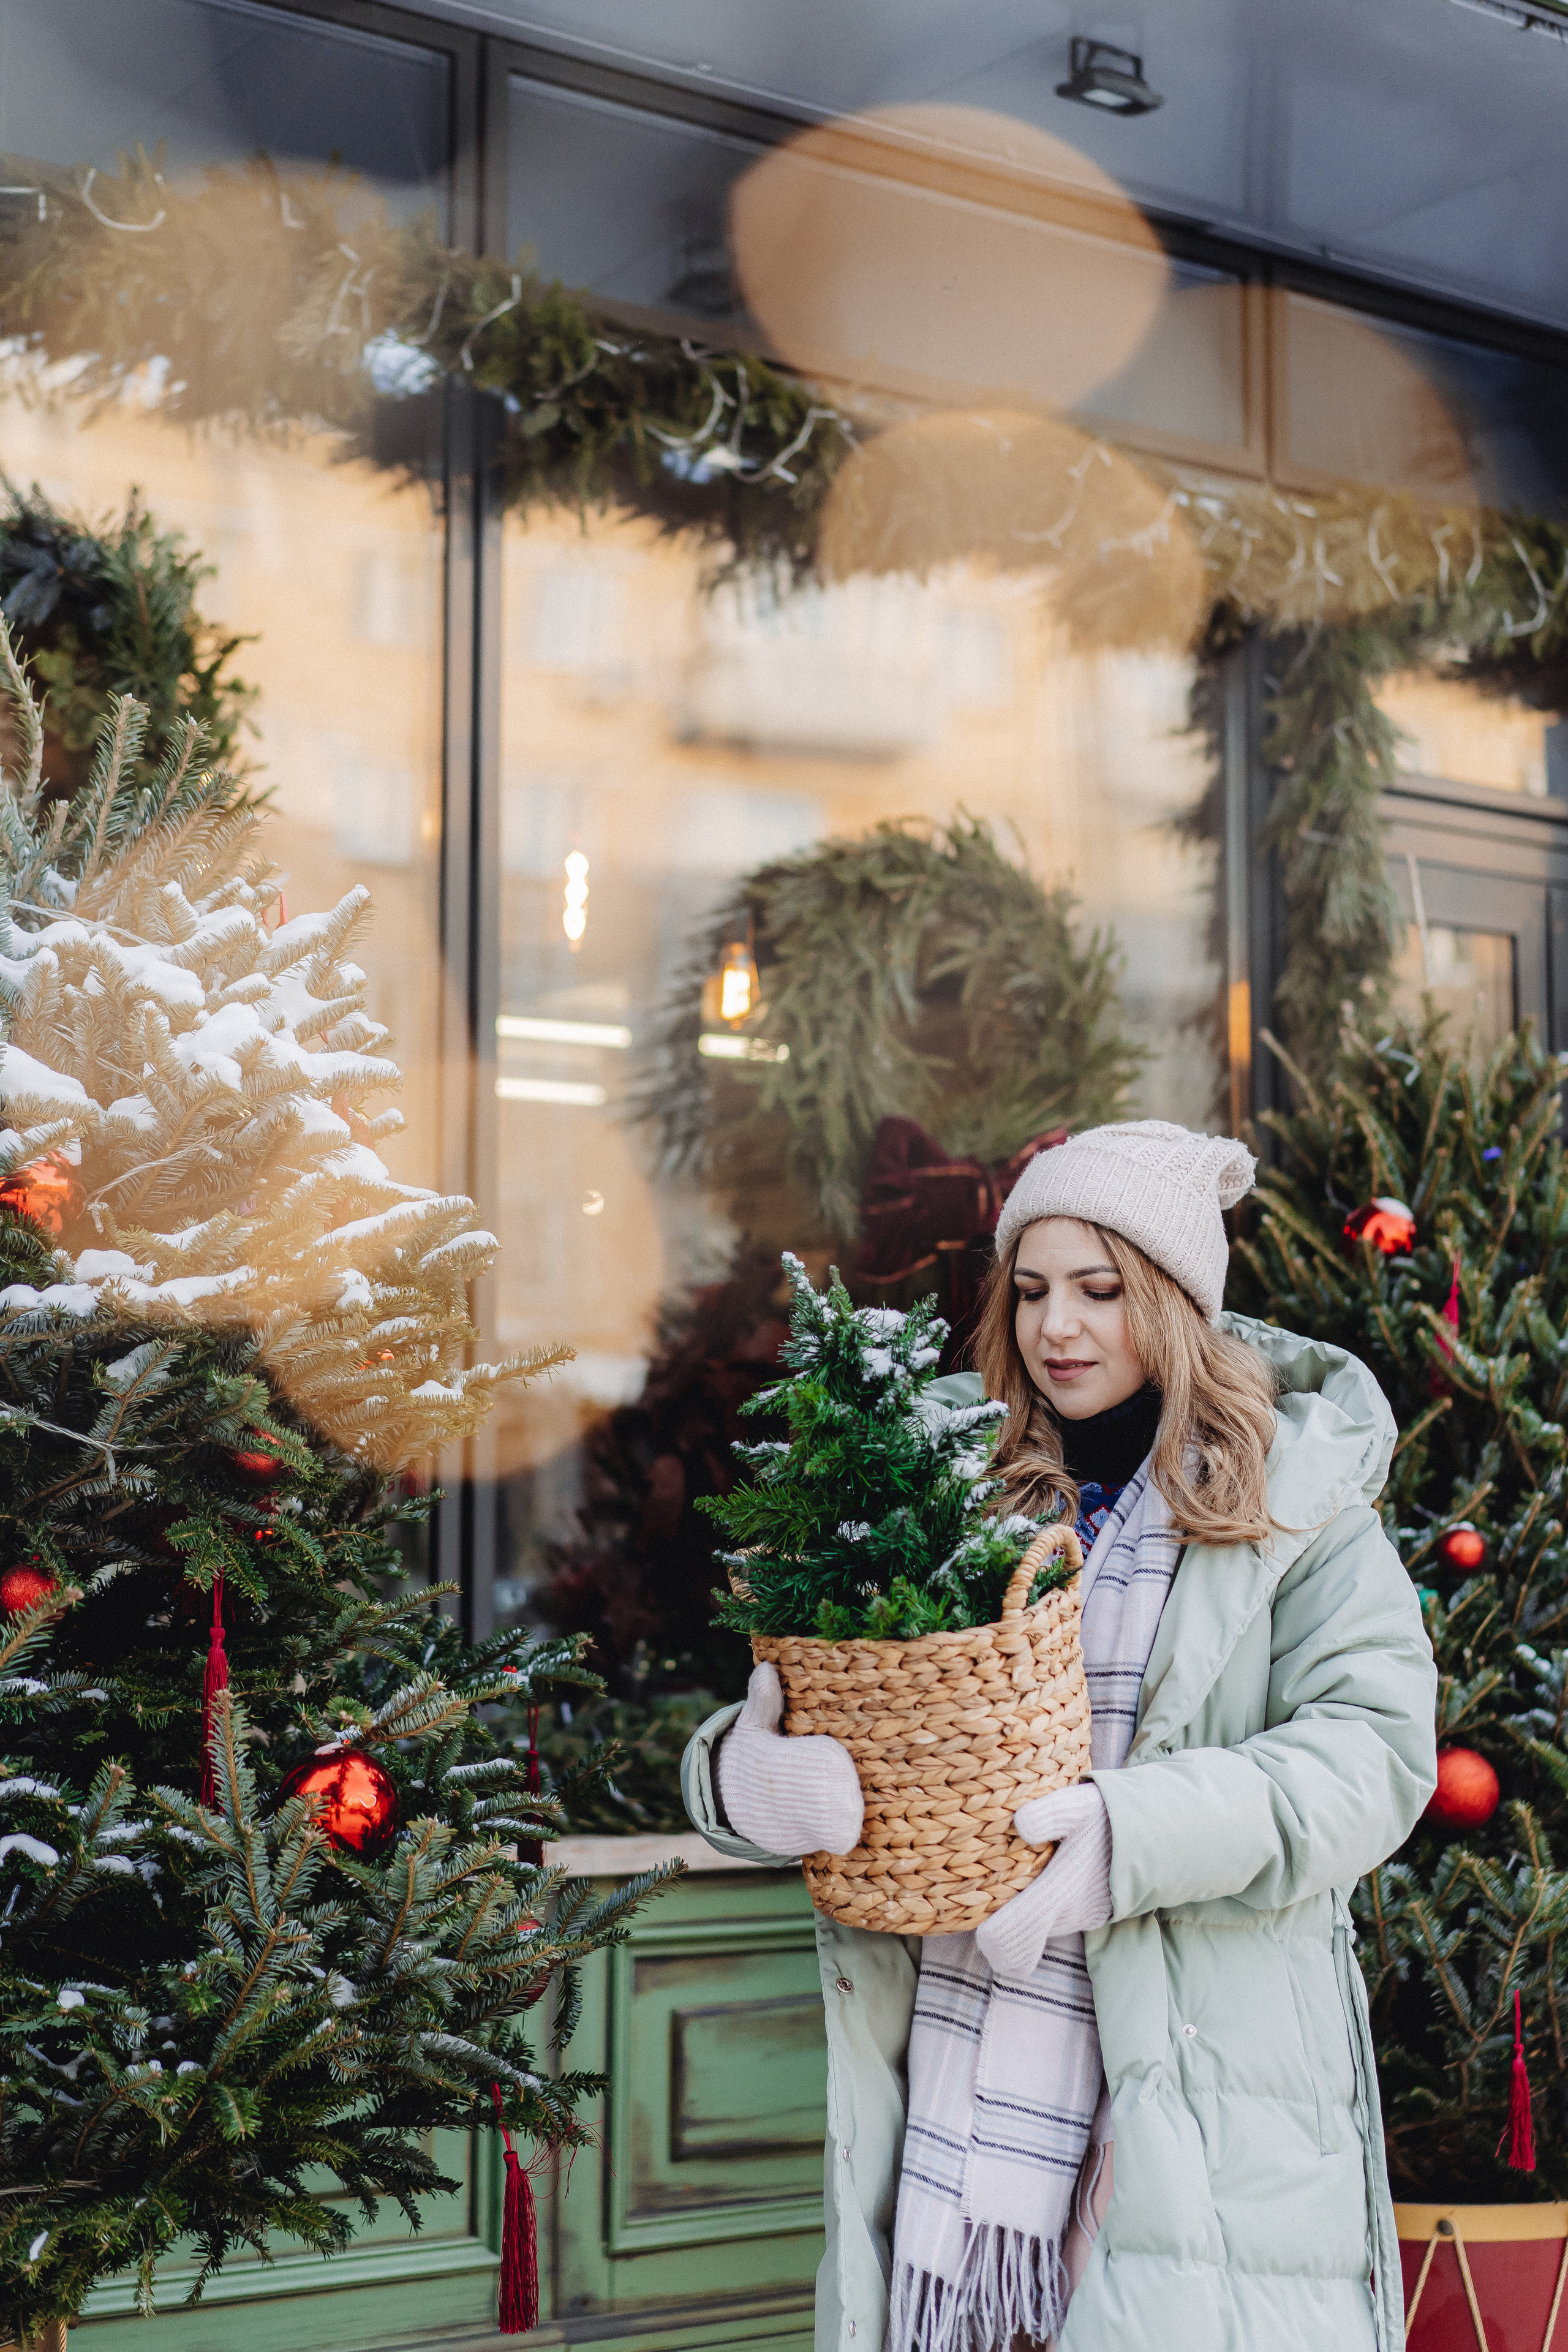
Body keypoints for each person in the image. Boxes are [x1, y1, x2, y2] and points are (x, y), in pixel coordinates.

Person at [681, 1119, 1436, 2352]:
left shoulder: (1293, 1501)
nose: (1055, 1328)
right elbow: (817, 1691)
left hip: (1201, 2090)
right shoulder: (950, 1487)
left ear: (1172, 1300)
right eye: (1029, 1290)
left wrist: (1126, 1839)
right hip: (952, 2090)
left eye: (1099, 1290)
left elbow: (1374, 1755)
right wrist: (743, 1777)